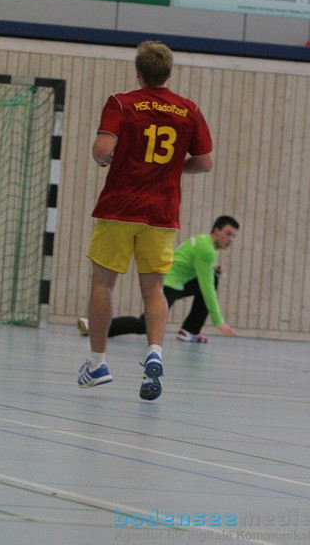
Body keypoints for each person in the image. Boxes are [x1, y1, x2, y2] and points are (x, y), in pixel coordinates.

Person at [77, 41, 213, 400]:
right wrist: (170, 169)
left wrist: (102, 158)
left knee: (104, 283)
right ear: (168, 73)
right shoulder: (189, 110)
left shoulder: (122, 102)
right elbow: (204, 162)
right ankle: (155, 351)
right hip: (162, 213)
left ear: (138, 71)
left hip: (119, 208)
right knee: (154, 289)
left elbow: (103, 150)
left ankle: (96, 364)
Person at [79, 216, 240, 342]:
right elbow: (207, 289)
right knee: (145, 325)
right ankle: (94, 327)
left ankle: (190, 330)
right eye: (228, 233)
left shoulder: (203, 241)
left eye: (233, 236)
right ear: (216, 231)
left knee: (214, 278)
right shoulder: (208, 251)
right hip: (170, 282)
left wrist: (214, 271)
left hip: (179, 282)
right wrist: (218, 320)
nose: (231, 239)